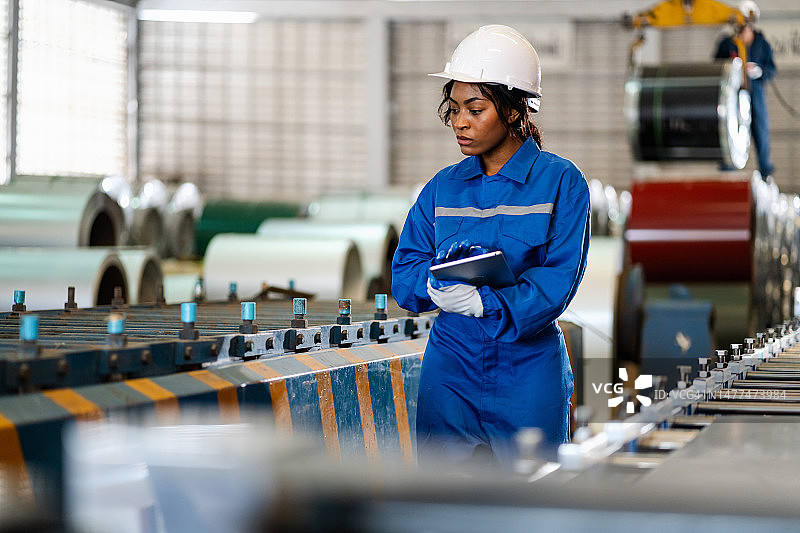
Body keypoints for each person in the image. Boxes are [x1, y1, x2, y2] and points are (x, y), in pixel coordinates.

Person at [391, 25, 590, 468]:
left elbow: (556, 282)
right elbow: (405, 273)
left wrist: (486, 304)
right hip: (451, 368)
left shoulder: (561, 183)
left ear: (515, 110)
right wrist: (435, 287)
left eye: (475, 109)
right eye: (454, 108)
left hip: (527, 371)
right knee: (445, 502)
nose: (460, 122)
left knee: (531, 503)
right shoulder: (442, 188)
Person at [714, 0, 776, 179]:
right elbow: (715, 66)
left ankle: (765, 171)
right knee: (728, 127)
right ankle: (728, 166)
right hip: (731, 94)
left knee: (760, 128)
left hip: (755, 92)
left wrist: (759, 71)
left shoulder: (761, 43)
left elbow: (772, 69)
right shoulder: (727, 43)